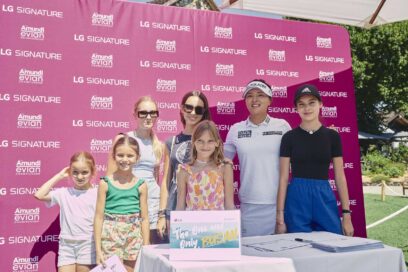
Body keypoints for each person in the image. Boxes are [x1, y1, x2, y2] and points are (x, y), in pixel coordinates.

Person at [276, 84, 354, 236]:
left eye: (312, 102)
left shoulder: (332, 136)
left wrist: (346, 215)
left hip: (324, 194)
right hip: (297, 197)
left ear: (320, 104)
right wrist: (280, 217)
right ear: (296, 108)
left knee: (332, 245)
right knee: (298, 248)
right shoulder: (289, 138)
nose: (307, 108)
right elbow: (284, 178)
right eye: (302, 104)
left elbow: (340, 176)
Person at [224, 79, 291, 237]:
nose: (255, 99)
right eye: (250, 96)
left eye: (260, 95)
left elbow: (301, 156)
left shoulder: (282, 126)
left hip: (279, 206)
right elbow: (222, 164)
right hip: (249, 205)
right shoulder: (235, 129)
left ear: (270, 100)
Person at [107, 96, 165, 244]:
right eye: (143, 113)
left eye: (153, 113)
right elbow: (110, 178)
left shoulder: (159, 145)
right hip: (129, 205)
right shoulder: (123, 138)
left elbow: (155, 178)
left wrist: (160, 215)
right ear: (135, 115)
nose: (148, 117)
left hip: (152, 205)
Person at [156, 91, 212, 239]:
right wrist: (162, 214)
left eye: (198, 109)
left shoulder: (210, 142)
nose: (193, 112)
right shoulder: (171, 142)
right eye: (189, 107)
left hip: (201, 210)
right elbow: (166, 181)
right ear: (182, 108)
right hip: (175, 209)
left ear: (204, 113)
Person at [34, 151, 97, 272]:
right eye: (75, 172)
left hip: (88, 245)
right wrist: (59, 175)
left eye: (84, 172)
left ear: (92, 172)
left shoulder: (98, 192)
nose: (79, 177)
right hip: (66, 246)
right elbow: (39, 195)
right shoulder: (63, 193)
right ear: (69, 172)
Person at [94, 135, 149, 272]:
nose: (125, 160)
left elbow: (145, 218)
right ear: (114, 156)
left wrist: (147, 245)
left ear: (137, 157)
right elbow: (99, 217)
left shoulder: (141, 185)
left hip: (134, 235)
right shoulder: (105, 183)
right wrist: (98, 249)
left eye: (130, 156)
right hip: (110, 235)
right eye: (120, 155)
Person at [176, 120, 235, 211]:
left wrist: (233, 224)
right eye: (200, 141)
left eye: (210, 141)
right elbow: (180, 207)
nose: (205, 146)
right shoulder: (184, 170)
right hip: (192, 224)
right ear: (194, 142)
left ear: (217, 143)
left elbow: (230, 205)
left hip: (218, 224)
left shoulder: (225, 168)